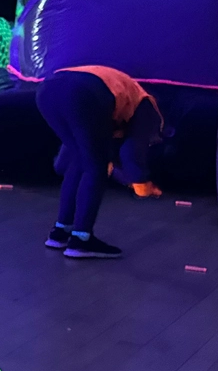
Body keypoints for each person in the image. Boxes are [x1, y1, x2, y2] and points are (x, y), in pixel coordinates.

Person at [36, 65, 163, 259]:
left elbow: (62, 164)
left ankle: (60, 231)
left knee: (81, 158)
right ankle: (81, 240)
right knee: (96, 166)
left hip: (48, 90)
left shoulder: (123, 97)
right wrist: (143, 185)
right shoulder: (147, 110)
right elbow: (131, 153)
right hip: (83, 92)